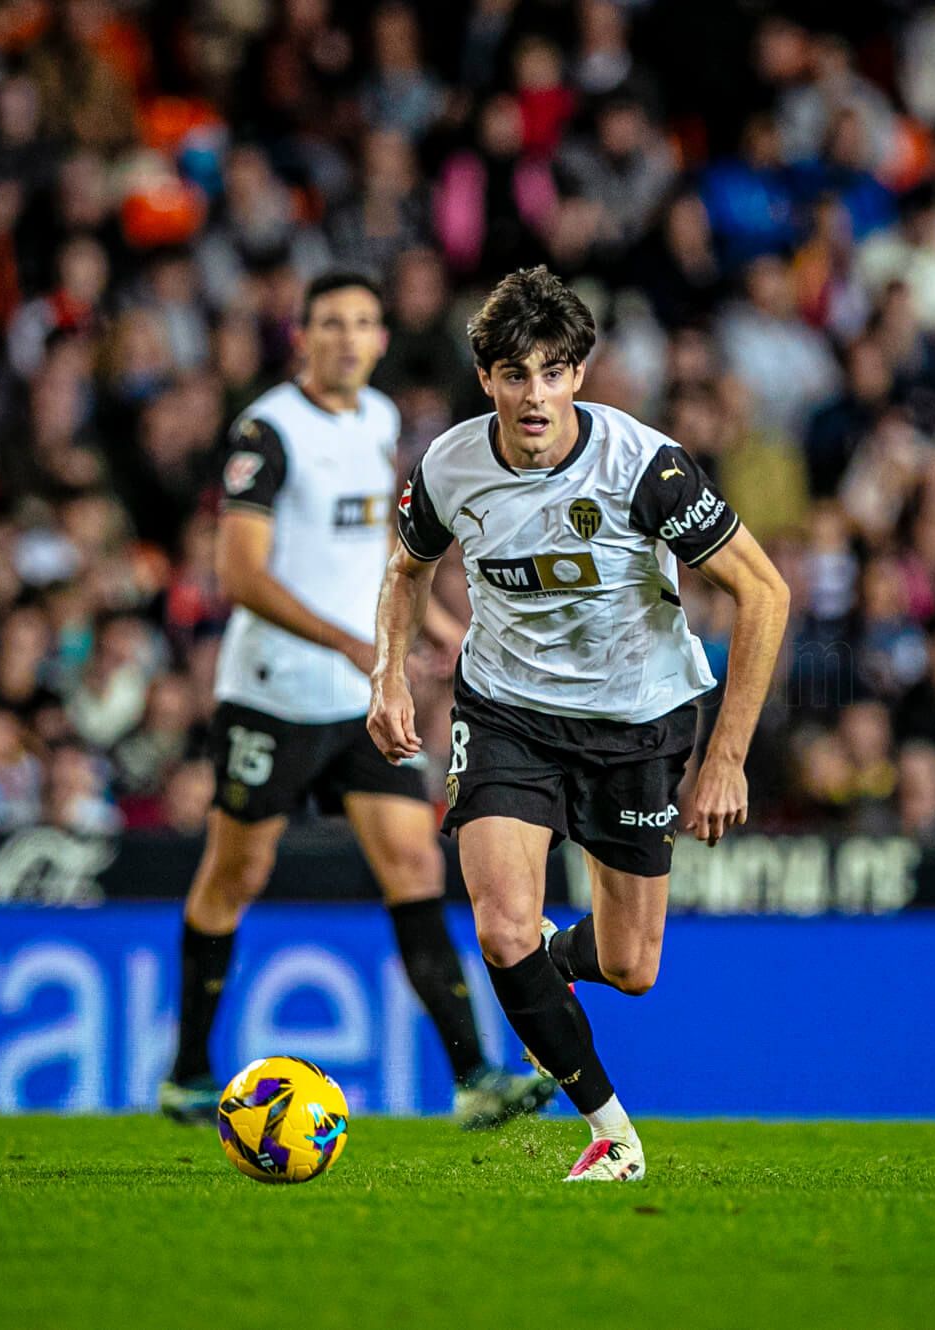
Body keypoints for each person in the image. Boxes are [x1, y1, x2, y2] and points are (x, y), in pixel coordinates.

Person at [368, 267, 791, 1181]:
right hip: (508, 714)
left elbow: (765, 592)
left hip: (639, 724)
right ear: (486, 378)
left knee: (633, 965)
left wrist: (727, 760)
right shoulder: (447, 466)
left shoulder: (645, 467)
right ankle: (611, 1131)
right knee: (499, 924)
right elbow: (406, 569)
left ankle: (551, 968)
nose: (534, 395)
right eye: (515, 374)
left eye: (553, 372)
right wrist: (389, 676)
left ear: (579, 377)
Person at [159, 272, 557, 1131]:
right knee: (236, 875)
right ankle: (188, 1070)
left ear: (381, 340)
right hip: (269, 695)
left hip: (357, 705)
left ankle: (475, 1076)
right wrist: (348, 640)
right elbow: (239, 574)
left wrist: (441, 622)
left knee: (415, 866)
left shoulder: (377, 420)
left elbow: (384, 540)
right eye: (331, 323)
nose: (349, 338)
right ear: (301, 336)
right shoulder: (268, 431)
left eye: (364, 323)